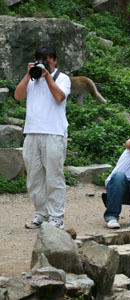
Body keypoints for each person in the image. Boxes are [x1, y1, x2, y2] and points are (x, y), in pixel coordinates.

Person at [14, 45, 71, 230]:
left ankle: (56, 217)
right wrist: (28, 74)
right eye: (40, 60)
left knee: (54, 176)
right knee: (34, 178)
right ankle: (41, 214)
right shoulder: (32, 79)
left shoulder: (62, 78)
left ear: (54, 60)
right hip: (31, 132)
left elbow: (59, 97)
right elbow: (18, 95)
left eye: (47, 60)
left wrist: (47, 77)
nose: (44, 64)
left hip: (54, 132)